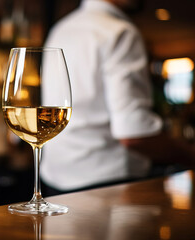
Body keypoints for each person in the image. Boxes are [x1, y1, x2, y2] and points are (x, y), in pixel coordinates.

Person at [40, 0, 195, 195]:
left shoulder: (61, 30)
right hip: (110, 184)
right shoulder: (120, 32)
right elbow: (134, 133)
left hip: (55, 183)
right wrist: (190, 155)